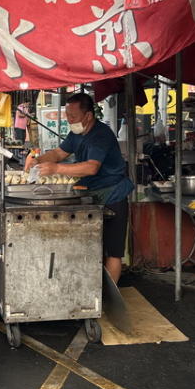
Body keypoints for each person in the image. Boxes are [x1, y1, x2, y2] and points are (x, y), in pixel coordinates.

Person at [25, 92, 134, 284]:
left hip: (113, 194)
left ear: (88, 116)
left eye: (73, 117)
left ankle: (108, 300)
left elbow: (92, 167)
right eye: (67, 116)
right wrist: (37, 161)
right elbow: (59, 153)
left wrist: (56, 169)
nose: (69, 121)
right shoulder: (77, 134)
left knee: (113, 251)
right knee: (90, 245)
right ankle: (91, 292)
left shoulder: (100, 135)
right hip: (91, 194)